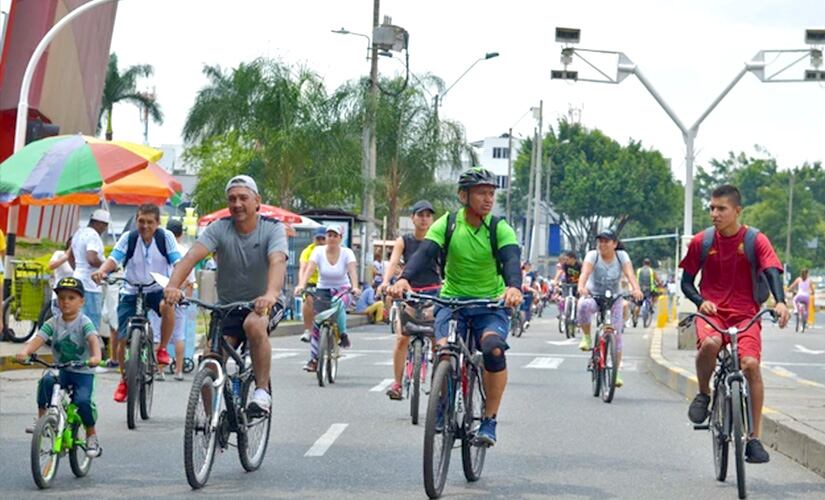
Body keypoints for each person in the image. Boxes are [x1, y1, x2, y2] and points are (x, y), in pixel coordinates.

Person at [391, 167, 523, 447]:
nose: (488, 199)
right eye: (481, 193)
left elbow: (511, 259)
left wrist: (514, 287)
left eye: (491, 193)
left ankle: (489, 419)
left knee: (493, 349)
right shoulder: (448, 224)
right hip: (451, 304)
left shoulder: (499, 227)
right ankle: (442, 404)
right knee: (444, 352)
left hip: (490, 305)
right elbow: (425, 253)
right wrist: (404, 279)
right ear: (464, 196)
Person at [681, 184, 789, 464]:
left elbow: (772, 270)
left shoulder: (755, 240)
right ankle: (704, 394)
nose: (714, 214)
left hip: (745, 315)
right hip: (713, 312)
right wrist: (700, 301)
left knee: (751, 365)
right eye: (712, 208)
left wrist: (780, 301)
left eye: (721, 209)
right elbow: (686, 282)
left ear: (737, 211)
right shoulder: (702, 241)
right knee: (710, 344)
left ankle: (754, 438)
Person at [165, 175, 287, 415]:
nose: (237, 204)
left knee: (254, 325)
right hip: (227, 307)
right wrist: (172, 286)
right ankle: (211, 421)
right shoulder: (219, 228)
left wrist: (270, 294)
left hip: (262, 305)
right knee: (210, 361)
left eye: (243, 198)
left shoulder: (272, 228)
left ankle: (262, 392)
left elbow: (277, 261)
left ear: (257, 201)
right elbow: (190, 258)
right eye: (232, 199)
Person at [92, 204, 180, 403]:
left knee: (167, 306)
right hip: (131, 290)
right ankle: (124, 380)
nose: (145, 226)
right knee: (122, 337)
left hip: (158, 288)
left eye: (150, 222)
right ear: (136, 221)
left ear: (157, 223)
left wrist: (176, 286)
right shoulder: (129, 238)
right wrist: (102, 271)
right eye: (141, 221)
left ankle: (162, 348)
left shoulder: (165, 238)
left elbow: (177, 262)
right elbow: (114, 258)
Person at [16, 277, 102, 458]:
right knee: (46, 382)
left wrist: (96, 357)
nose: (66, 302)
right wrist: (25, 352)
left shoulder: (84, 322)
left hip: (82, 371)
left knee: (83, 401)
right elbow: (39, 338)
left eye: (71, 298)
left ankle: (91, 434)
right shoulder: (53, 322)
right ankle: (42, 419)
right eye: (62, 298)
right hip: (61, 369)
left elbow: (93, 339)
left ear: (81, 301)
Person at [379, 200, 441, 400]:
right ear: (412, 218)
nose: (424, 219)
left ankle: (439, 382)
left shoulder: (438, 240)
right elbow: (393, 262)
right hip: (408, 292)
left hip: (433, 292)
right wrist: (386, 282)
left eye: (428, 215)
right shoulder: (403, 241)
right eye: (420, 215)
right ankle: (397, 384)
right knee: (402, 338)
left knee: (438, 339)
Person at [576, 229, 644, 388]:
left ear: (614, 244)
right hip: (594, 296)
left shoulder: (621, 256)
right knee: (583, 305)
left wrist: (636, 289)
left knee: (617, 336)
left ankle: (615, 372)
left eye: (606, 241)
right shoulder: (593, 255)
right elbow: (585, 273)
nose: (602, 244)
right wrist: (581, 287)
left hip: (615, 298)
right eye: (600, 241)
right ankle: (586, 336)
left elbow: (630, 274)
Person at [294, 225, 361, 372]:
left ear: (340, 238)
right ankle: (314, 359)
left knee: (338, 303)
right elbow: (309, 269)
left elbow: (352, 271)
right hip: (323, 289)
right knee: (317, 322)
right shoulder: (318, 251)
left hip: (342, 289)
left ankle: (343, 334)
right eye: (329, 235)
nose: (331, 239)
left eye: (335, 236)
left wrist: (355, 287)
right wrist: (301, 285)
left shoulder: (347, 253)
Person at [164, 218, 195, 381]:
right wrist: (186, 300)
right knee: (179, 334)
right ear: (181, 234)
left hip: (163, 294)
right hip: (180, 296)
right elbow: (190, 281)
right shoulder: (186, 252)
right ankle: (179, 370)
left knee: (158, 332)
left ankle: (159, 369)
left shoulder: (162, 248)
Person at [70, 209, 110, 333]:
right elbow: (91, 258)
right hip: (91, 285)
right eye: (105, 225)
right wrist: (107, 266)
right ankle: (91, 345)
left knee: (77, 319)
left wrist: (77, 270)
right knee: (91, 322)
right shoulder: (93, 236)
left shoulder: (78, 233)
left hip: (77, 280)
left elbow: (70, 256)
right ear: (99, 223)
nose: (104, 229)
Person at [298, 227, 327, 342]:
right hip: (312, 282)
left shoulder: (333, 250)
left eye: (323, 239)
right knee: (308, 299)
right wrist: (301, 284)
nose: (320, 242)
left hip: (329, 282)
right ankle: (308, 330)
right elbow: (303, 268)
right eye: (318, 239)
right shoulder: (308, 251)